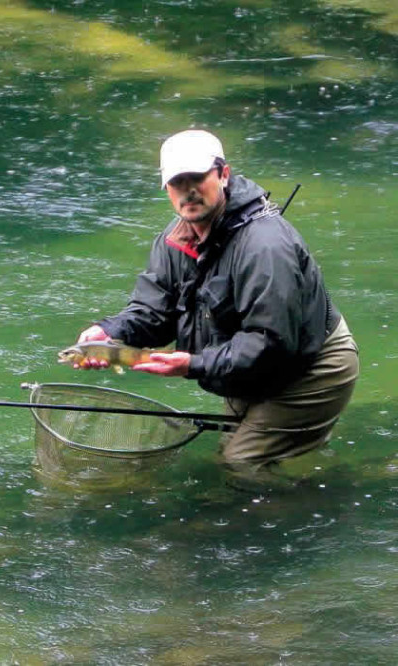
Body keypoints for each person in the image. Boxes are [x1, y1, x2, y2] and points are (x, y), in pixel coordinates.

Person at [75, 129, 359, 471]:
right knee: (233, 450)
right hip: (250, 363)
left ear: (223, 174)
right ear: (166, 188)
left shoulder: (265, 246)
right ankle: (322, 465)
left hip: (311, 365)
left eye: (198, 177)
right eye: (178, 182)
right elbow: (154, 312)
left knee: (240, 464)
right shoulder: (173, 240)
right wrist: (109, 333)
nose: (189, 190)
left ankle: (328, 505)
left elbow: (270, 342)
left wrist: (192, 364)